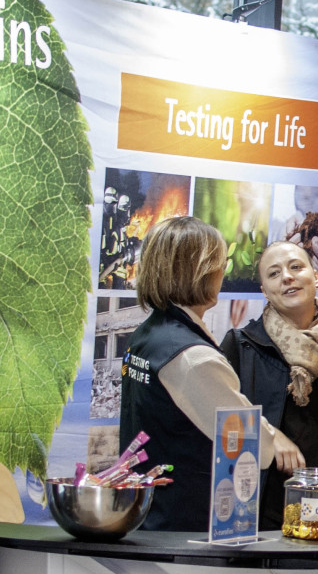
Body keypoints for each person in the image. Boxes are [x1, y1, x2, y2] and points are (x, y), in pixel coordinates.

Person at [119, 216, 295, 531]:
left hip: (150, 516)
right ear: (199, 271)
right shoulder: (193, 358)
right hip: (181, 527)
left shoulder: (148, 334)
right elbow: (255, 446)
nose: (222, 271)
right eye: (218, 263)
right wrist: (273, 437)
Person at [220, 240, 318, 529]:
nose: (287, 277)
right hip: (260, 512)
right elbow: (220, 417)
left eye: (296, 267)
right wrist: (267, 434)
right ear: (264, 291)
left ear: (315, 277)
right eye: (274, 273)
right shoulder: (241, 346)